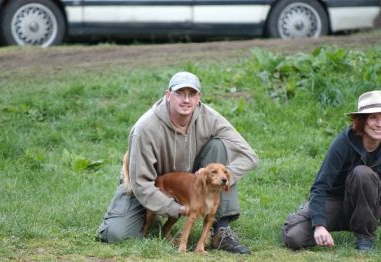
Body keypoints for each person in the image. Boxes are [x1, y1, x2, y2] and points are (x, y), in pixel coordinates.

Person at [96, 71, 259, 254]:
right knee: (113, 234)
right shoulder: (145, 128)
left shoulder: (209, 117)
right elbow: (140, 183)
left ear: (199, 98)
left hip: (190, 182)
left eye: (192, 94)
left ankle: (220, 229)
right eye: (180, 93)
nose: (186, 100)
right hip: (149, 184)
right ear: (168, 95)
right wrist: (176, 208)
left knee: (218, 146)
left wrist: (224, 175)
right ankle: (151, 214)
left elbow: (250, 156)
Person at [281, 90, 381, 251]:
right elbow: (320, 186)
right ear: (362, 121)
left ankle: (364, 236)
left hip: (372, 205)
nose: (379, 124)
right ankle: (310, 214)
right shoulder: (344, 142)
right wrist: (319, 225)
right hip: (336, 201)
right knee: (294, 237)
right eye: (373, 117)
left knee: (363, 174)